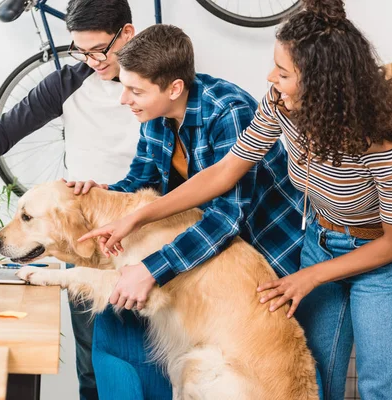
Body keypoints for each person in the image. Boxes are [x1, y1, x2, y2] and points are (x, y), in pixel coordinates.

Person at [82, 1, 392, 399]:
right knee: (319, 385)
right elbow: (224, 172)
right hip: (322, 241)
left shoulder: (382, 139)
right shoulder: (280, 103)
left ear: (323, 82)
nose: (269, 77)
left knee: (381, 391)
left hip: (382, 259)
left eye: (282, 72)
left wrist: (310, 276)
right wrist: (136, 218)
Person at [70, 23, 306, 397]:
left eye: (135, 90)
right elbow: (140, 183)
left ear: (174, 88)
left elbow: (226, 217)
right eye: (125, 87)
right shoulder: (155, 115)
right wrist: (99, 193)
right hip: (220, 262)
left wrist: (154, 268)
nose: (124, 99)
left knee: (281, 376)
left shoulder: (229, 111)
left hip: (273, 254)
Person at [0, 1, 140, 398]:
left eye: (98, 50)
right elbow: (4, 131)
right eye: (80, 50)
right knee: (91, 364)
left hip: (141, 237)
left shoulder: (156, 85)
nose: (90, 61)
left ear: (127, 33)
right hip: (81, 241)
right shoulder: (67, 82)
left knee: (145, 365)